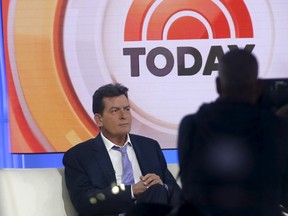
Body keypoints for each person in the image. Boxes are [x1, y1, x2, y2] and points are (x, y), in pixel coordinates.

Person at [176, 49, 288, 216]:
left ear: (218, 84)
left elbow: (189, 189)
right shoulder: (276, 128)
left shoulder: (191, 126)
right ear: (258, 87)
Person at [63, 83, 181, 216]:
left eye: (127, 109)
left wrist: (163, 187)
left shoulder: (150, 147)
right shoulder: (79, 156)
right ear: (99, 119)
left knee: (157, 190)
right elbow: (84, 202)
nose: (123, 116)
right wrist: (131, 191)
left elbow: (177, 194)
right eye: (115, 110)